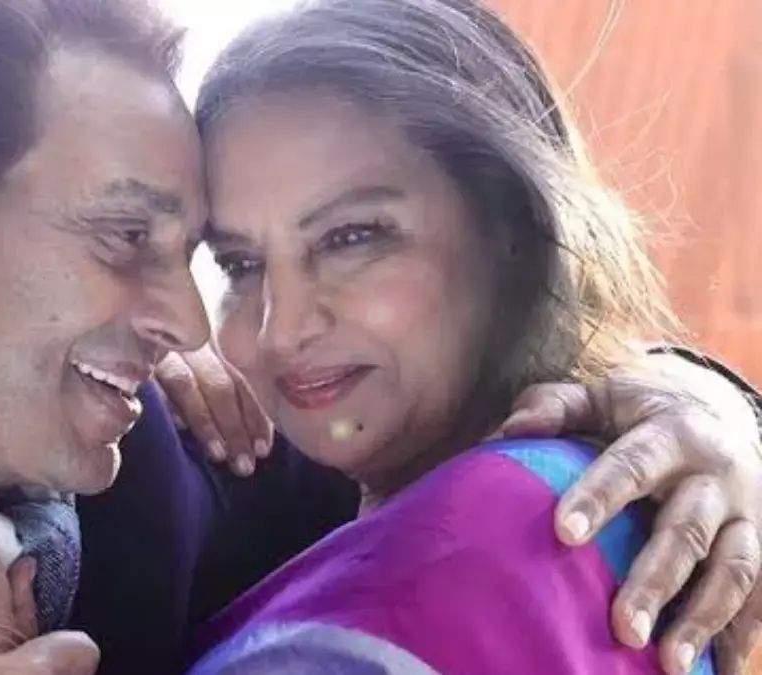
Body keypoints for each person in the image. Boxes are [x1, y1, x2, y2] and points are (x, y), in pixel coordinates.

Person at [0, 1, 759, 674]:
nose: (195, 325)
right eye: (126, 237)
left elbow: (458, 433)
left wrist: (706, 408)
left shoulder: (196, 446)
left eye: (198, 255)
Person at [179, 1, 762, 673]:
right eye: (239, 264)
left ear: (509, 226)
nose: (280, 329)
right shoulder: (267, 463)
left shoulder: (486, 543)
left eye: (352, 238)